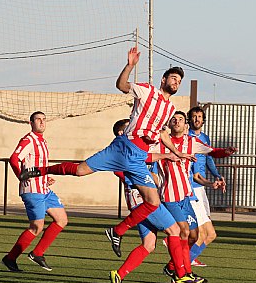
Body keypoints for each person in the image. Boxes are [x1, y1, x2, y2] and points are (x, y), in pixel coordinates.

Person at [21, 46, 194, 260]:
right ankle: (39, 170)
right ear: (163, 80)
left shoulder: (169, 109)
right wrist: (130, 65)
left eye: (179, 81)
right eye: (173, 78)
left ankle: (116, 232)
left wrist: (177, 152)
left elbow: (162, 134)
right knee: (80, 171)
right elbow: (121, 85)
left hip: (139, 157)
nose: (176, 83)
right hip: (124, 148)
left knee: (153, 201)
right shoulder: (148, 91)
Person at [108, 119, 193, 283]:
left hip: (139, 202)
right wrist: (137, 181)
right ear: (120, 133)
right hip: (144, 201)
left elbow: (146, 157)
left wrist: (167, 156)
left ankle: (119, 274)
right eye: (129, 129)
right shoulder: (121, 147)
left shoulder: (131, 147)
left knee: (149, 244)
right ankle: (180, 275)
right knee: (175, 230)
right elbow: (117, 169)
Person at [151, 111, 234, 283]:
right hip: (170, 196)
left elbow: (211, 152)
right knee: (184, 231)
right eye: (174, 119)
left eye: (180, 119)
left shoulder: (192, 142)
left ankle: (176, 268)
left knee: (195, 236)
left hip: (187, 196)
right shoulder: (160, 142)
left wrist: (225, 151)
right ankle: (182, 272)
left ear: (185, 125)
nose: (177, 121)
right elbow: (144, 154)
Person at [2, 111, 68, 272]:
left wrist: (46, 178)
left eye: (44, 119)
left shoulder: (42, 141)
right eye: (38, 119)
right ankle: (10, 258)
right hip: (32, 190)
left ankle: (38, 253)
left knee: (62, 219)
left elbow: (37, 167)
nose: (42, 122)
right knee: (36, 227)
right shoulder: (28, 140)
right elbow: (14, 159)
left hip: (44, 189)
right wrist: (21, 177)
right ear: (31, 123)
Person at [187, 106, 237, 266]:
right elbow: (194, 172)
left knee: (207, 233)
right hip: (192, 187)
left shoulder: (205, 138)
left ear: (203, 120)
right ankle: (182, 263)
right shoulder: (186, 138)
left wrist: (216, 175)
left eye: (199, 116)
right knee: (203, 233)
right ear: (189, 119)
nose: (197, 119)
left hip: (200, 188)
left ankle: (186, 260)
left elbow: (209, 159)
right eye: (194, 116)